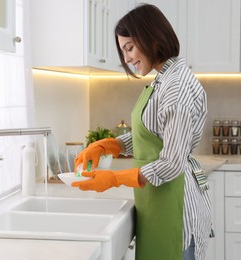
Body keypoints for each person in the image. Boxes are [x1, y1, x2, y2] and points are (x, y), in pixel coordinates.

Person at [72, 4, 211, 260]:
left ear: (152, 38)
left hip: (175, 207)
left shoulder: (176, 87)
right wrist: (110, 145)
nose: (126, 59)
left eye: (130, 48)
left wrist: (114, 178)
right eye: (123, 50)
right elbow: (153, 136)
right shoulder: (163, 79)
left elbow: (171, 163)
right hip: (160, 200)